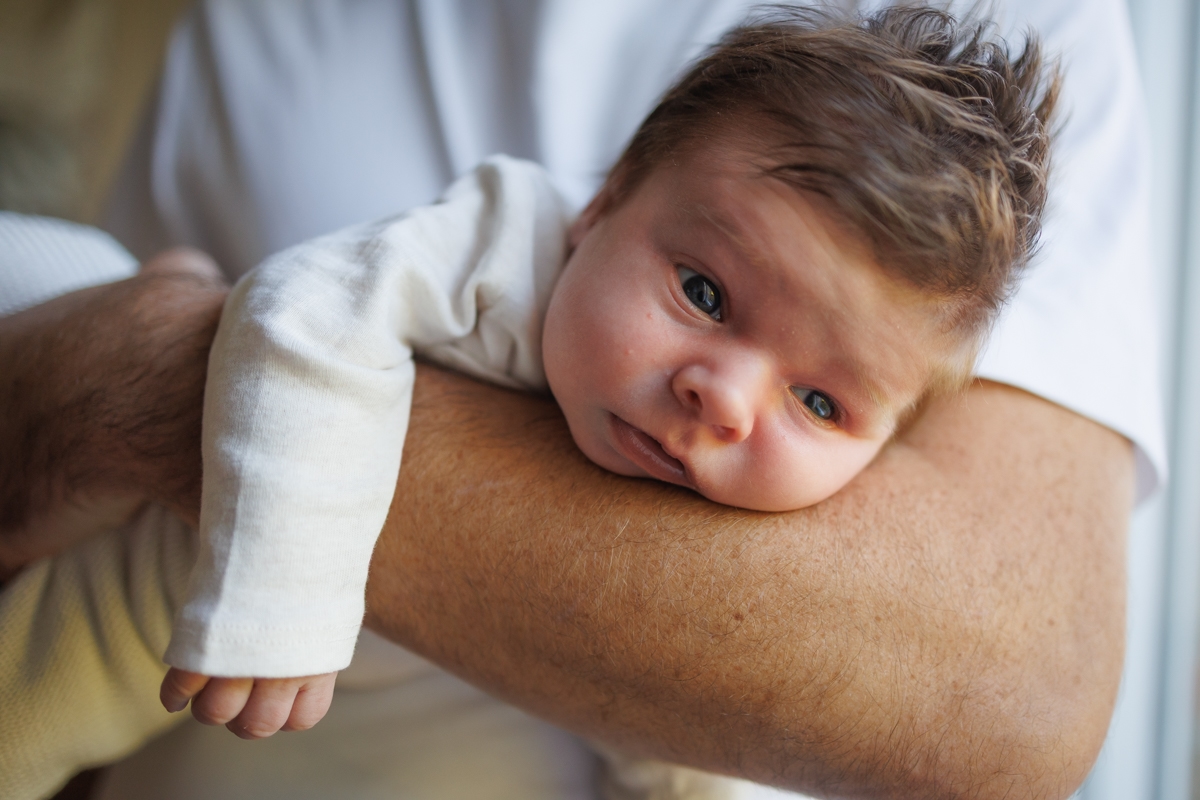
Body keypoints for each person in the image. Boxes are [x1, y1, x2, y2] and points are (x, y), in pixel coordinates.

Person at [0, 0, 1160, 798]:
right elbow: (306, 312)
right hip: (191, 618)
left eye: (821, 401)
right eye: (702, 291)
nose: (723, 395)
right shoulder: (507, 242)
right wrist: (279, 586)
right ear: (599, 209)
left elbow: (1002, 700)